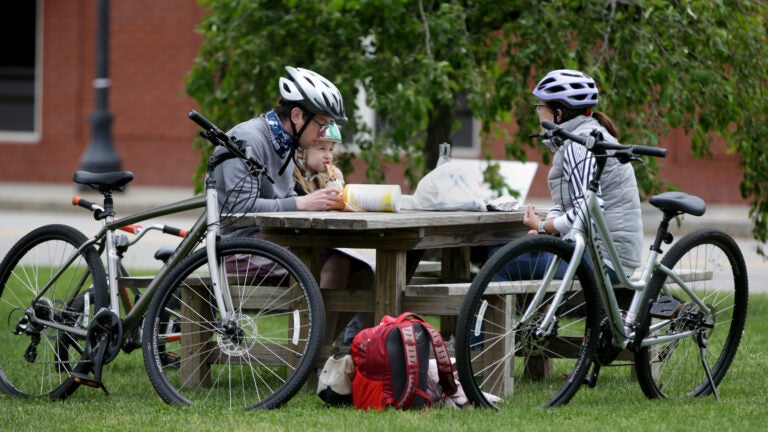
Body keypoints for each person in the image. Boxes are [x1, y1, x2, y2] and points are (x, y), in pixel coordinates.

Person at [212, 66, 367, 346]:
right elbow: (237, 210)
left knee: (365, 269)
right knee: (338, 262)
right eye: (321, 123)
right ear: (297, 116)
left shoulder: (286, 145)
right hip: (241, 250)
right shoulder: (248, 139)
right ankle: (310, 357)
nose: (324, 132)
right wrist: (302, 202)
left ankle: (319, 350)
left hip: (276, 243)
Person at [522, 68, 643, 281]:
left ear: (558, 113)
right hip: (601, 254)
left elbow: (585, 211)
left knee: (499, 259)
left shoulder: (580, 145)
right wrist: (549, 231)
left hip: (604, 262)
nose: (538, 113)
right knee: (520, 254)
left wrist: (543, 226)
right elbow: (569, 203)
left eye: (540, 107)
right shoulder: (580, 138)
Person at [292, 122, 374, 346]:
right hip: (292, 249)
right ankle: (318, 351)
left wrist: (340, 190)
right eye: (321, 149)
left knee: (366, 272)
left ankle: (323, 345)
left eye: (331, 150)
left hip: (322, 245)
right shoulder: (292, 181)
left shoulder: (324, 177)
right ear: (301, 151)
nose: (328, 156)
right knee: (338, 264)